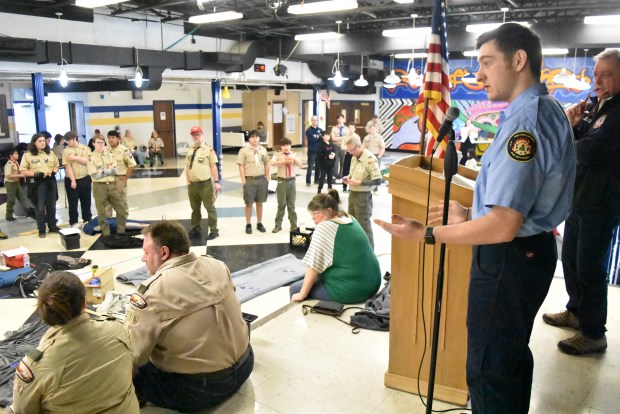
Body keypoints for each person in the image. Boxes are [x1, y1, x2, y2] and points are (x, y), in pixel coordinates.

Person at [375, 23, 575, 414]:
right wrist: (471, 213)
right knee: (509, 357)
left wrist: (427, 233)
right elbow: (515, 205)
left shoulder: (525, 124)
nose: (478, 74)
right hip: (527, 253)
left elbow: (503, 226)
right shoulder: (543, 110)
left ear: (518, 61)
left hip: (508, 260)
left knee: (489, 369)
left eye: (487, 62)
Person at [125, 221, 253, 412]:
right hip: (245, 364)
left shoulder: (153, 291)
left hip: (200, 390)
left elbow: (134, 354)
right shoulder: (216, 265)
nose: (143, 258)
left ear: (164, 253)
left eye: (146, 252)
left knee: (129, 369)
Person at [542, 48, 620, 355]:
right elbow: (582, 143)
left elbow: (585, 152)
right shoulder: (600, 106)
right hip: (581, 197)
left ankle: (593, 332)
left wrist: (568, 131)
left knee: (589, 266)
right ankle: (576, 312)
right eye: (596, 74)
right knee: (572, 260)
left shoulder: (617, 114)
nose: (598, 80)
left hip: (601, 203)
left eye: (607, 74)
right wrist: (574, 124)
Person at [11, 271, 139, 413]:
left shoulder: (36, 365)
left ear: (42, 309)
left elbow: (23, 410)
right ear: (84, 302)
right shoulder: (117, 329)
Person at [290, 190, 381, 304]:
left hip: (354, 289)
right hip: (372, 281)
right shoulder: (349, 217)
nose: (313, 217)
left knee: (294, 289)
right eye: (311, 213)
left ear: (329, 210)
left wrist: (302, 294)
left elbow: (314, 266)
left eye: (316, 212)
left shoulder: (325, 227)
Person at [343, 134, 381, 249]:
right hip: (352, 193)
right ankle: (356, 249)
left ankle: (369, 252)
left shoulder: (369, 159)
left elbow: (378, 180)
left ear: (359, 147)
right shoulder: (355, 157)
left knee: (364, 226)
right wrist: (348, 177)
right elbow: (354, 172)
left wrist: (360, 183)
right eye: (348, 151)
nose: (350, 153)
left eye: (351, 150)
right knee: (352, 223)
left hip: (363, 197)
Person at [20, 133, 60, 238]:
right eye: (40, 141)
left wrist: (54, 172)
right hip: (38, 182)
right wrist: (36, 174)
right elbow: (23, 170)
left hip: (50, 180)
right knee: (40, 206)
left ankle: (52, 226)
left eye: (43, 141)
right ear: (34, 142)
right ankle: (41, 229)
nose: (43, 143)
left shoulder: (50, 153)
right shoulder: (28, 155)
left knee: (52, 205)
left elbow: (57, 165)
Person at [87, 136, 128, 238]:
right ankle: (106, 234)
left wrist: (103, 171)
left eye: (102, 142)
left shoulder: (110, 155)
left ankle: (121, 232)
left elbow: (116, 170)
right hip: (99, 186)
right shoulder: (90, 157)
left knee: (122, 210)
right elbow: (95, 175)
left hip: (111, 184)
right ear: (93, 143)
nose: (101, 144)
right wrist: (108, 170)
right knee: (102, 213)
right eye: (98, 142)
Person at [185, 125, 221, 240]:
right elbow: (187, 166)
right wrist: (187, 180)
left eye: (198, 134)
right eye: (194, 135)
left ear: (202, 135)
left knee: (209, 207)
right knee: (195, 208)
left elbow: (213, 167)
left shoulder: (208, 149)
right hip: (193, 185)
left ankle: (214, 230)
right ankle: (196, 228)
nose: (196, 137)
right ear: (191, 136)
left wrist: (216, 182)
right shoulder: (190, 150)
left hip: (205, 184)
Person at [237, 130, 270, 234]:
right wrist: (243, 180)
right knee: (248, 203)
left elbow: (266, 164)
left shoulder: (263, 150)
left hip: (261, 179)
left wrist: (268, 176)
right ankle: (248, 224)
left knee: (259, 203)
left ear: (259, 138)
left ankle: (259, 223)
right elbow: (241, 166)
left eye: (256, 137)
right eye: (252, 137)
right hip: (249, 180)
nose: (255, 138)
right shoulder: (243, 151)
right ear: (249, 139)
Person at [270, 137, 301, 233]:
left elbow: (300, 165)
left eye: (287, 145)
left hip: (292, 181)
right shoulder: (278, 154)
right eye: (283, 145)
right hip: (281, 181)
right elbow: (272, 163)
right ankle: (278, 225)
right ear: (281, 147)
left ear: (290, 146)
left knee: (291, 205)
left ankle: (293, 225)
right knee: (281, 204)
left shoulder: (294, 155)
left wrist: (294, 158)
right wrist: (284, 161)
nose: (286, 147)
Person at [63, 131, 93, 227]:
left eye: (69, 140)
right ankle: (73, 222)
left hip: (85, 178)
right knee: (73, 202)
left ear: (74, 138)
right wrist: (72, 180)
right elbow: (67, 166)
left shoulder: (85, 148)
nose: (68, 143)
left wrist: (75, 158)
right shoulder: (66, 151)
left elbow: (88, 162)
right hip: (72, 179)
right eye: (66, 141)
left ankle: (87, 220)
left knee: (86, 201)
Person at [106, 130, 137, 212]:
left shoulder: (124, 150)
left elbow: (132, 164)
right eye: (109, 138)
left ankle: (123, 221)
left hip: (119, 178)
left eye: (113, 137)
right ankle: (108, 221)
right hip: (107, 178)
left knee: (121, 200)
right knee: (107, 201)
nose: (111, 140)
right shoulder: (105, 150)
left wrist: (126, 177)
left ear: (118, 138)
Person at [4, 147, 34, 222]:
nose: (17, 155)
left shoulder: (16, 162)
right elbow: (8, 175)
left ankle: (29, 212)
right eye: (15, 154)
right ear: (11, 155)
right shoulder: (9, 164)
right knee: (11, 199)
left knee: (22, 197)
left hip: (16, 182)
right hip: (10, 183)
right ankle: (8, 216)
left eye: (17, 153)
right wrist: (20, 176)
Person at [363, 125, 386, 195]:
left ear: (376, 130)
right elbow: (363, 147)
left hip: (376, 156)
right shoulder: (366, 138)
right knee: (367, 172)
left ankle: (375, 189)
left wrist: (379, 156)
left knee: (375, 173)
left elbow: (382, 148)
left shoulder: (379, 138)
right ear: (369, 130)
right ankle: (367, 188)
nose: (372, 130)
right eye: (371, 129)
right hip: (368, 156)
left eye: (374, 129)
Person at [305, 115, 323, 186]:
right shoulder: (308, 130)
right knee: (310, 166)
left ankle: (316, 180)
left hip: (318, 151)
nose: (315, 121)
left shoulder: (320, 130)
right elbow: (311, 140)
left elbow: (322, 139)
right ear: (311, 121)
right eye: (313, 120)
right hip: (311, 151)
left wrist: (317, 138)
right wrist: (318, 138)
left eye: (316, 120)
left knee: (318, 166)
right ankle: (308, 181)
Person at [330, 114, 349, 180]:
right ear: (337, 120)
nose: (340, 120)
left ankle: (341, 175)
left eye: (341, 118)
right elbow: (333, 138)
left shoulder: (347, 128)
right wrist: (342, 138)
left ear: (343, 119)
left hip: (344, 147)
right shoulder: (334, 128)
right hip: (336, 146)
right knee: (335, 161)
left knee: (343, 161)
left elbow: (347, 138)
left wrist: (338, 138)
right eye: (339, 118)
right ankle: (335, 175)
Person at [342, 123, 359, 192]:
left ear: (354, 129)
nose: (350, 129)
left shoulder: (356, 137)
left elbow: (358, 146)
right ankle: (344, 186)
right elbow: (342, 146)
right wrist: (349, 148)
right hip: (348, 154)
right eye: (349, 127)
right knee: (345, 170)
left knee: (353, 171)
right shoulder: (345, 137)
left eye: (352, 128)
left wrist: (350, 148)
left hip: (354, 155)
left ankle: (351, 186)